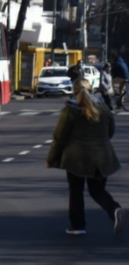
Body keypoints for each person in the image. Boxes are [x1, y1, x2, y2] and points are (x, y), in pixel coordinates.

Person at [46, 79, 124, 237]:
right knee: (97, 190)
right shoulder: (103, 108)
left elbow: (59, 137)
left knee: (76, 191)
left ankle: (78, 226)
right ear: (92, 89)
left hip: (76, 158)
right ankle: (114, 208)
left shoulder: (70, 110)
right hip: (102, 157)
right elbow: (110, 131)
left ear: (74, 91)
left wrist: (51, 158)